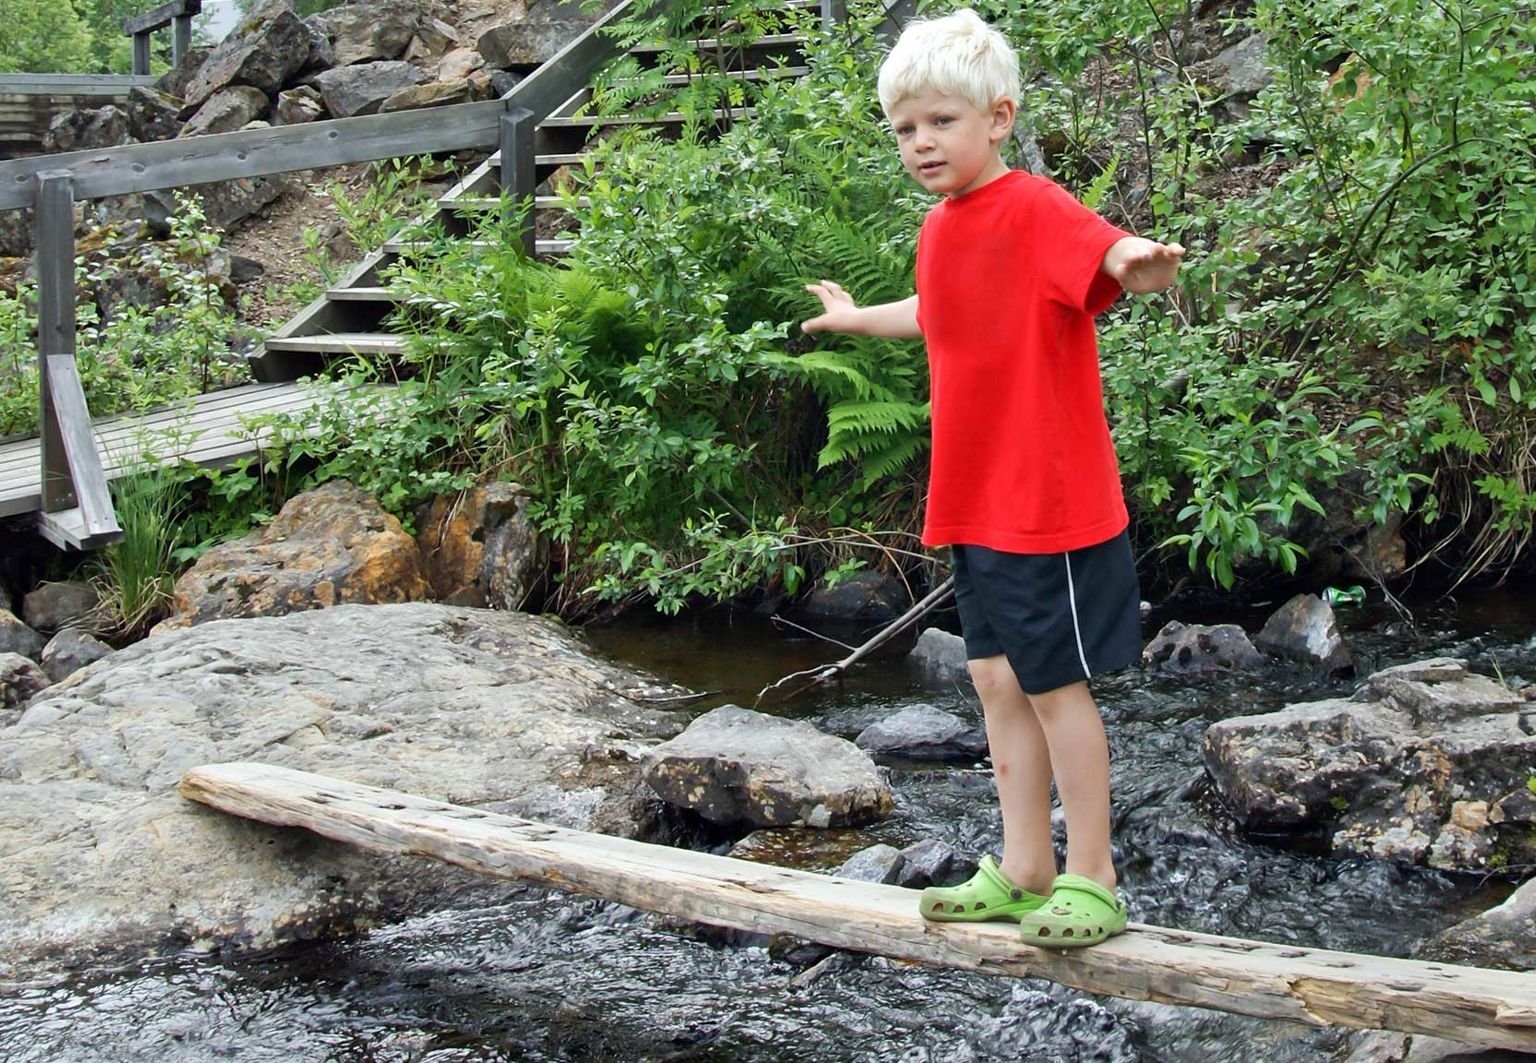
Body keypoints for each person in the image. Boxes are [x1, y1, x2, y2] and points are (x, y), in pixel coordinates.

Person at [802, 8, 1184, 948]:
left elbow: (1100, 247)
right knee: (994, 676)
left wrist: (1133, 261)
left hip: (1046, 500)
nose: (922, 142)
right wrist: (857, 320)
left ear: (999, 118)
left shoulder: (1034, 205)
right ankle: (1025, 867)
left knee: (1054, 684)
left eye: (942, 121)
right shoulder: (944, 226)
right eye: (906, 128)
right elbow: (939, 308)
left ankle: (1093, 874)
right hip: (974, 496)